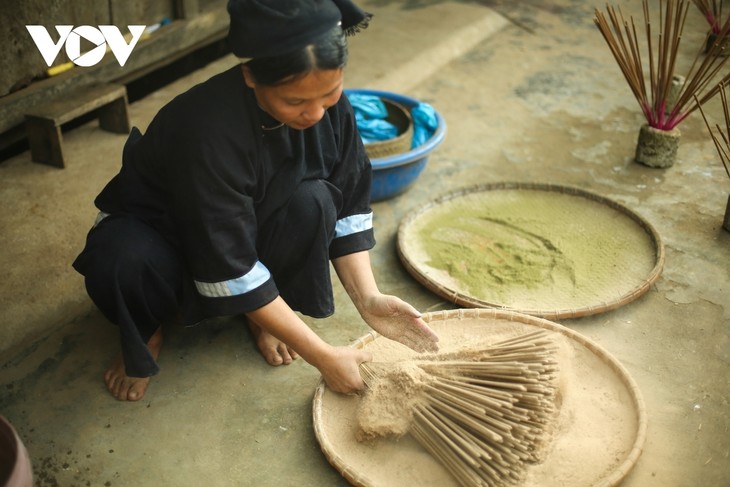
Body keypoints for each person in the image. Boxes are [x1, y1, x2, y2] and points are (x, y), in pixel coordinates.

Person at [72, 0, 439, 402]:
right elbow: (223, 253)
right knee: (123, 257)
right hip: (166, 236)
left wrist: (369, 300)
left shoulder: (329, 107)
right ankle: (146, 332)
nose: (315, 113)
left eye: (330, 93)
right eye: (295, 102)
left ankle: (262, 316)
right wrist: (323, 355)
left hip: (236, 230)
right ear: (250, 76)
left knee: (315, 200)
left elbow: (349, 201)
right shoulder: (206, 130)